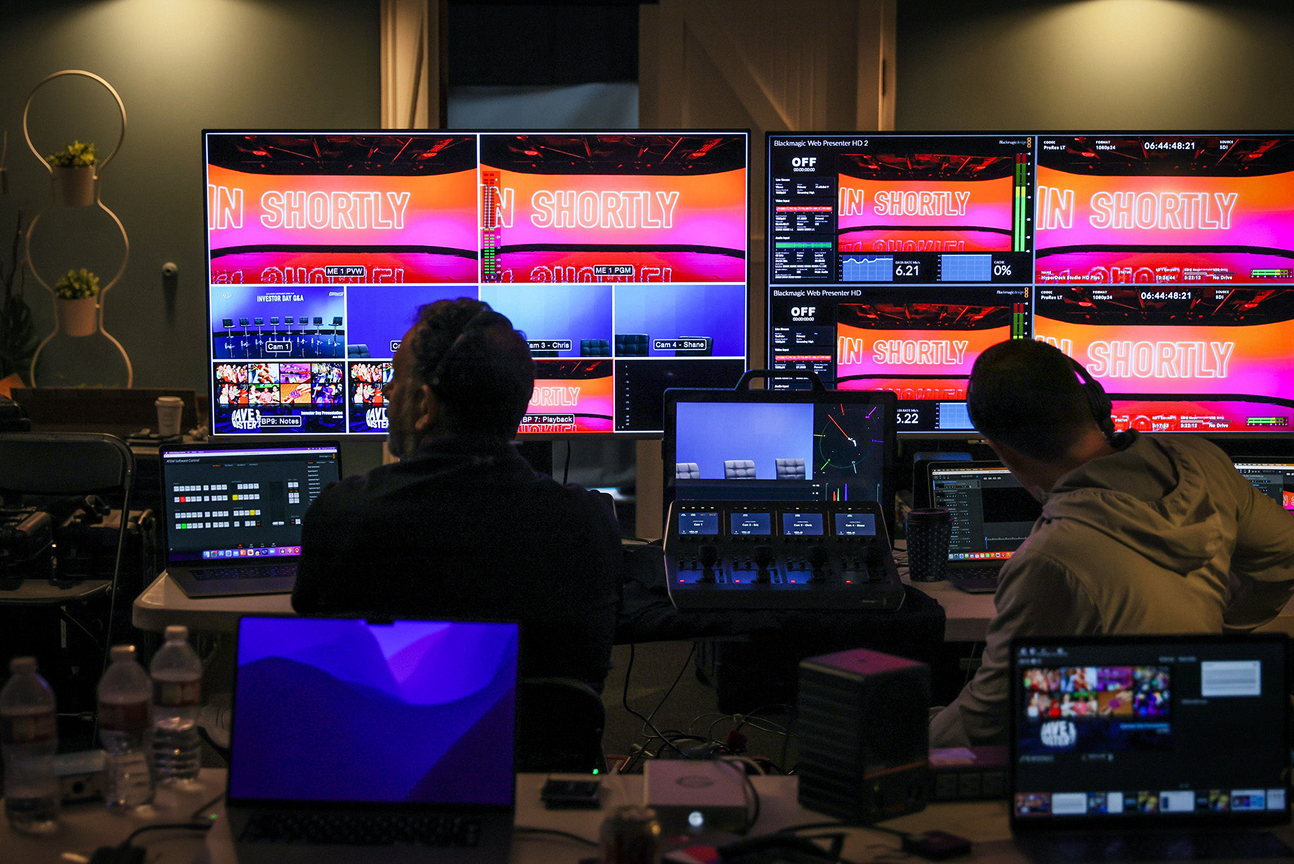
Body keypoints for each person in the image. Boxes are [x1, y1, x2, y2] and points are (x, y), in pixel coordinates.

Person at [929, 338, 1294, 747]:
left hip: (1116, 759)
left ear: (1004, 453)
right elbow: (1285, 556)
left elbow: (986, 719)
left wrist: (913, 736)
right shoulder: (1203, 462)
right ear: (1095, 406)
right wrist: (1202, 641)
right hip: (1209, 737)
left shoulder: (1048, 559)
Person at [291, 298, 623, 694]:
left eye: (396, 378)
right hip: (542, 754)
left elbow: (317, 638)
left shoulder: (343, 516)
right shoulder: (588, 523)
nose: (387, 390)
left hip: (399, 752)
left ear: (425, 405)